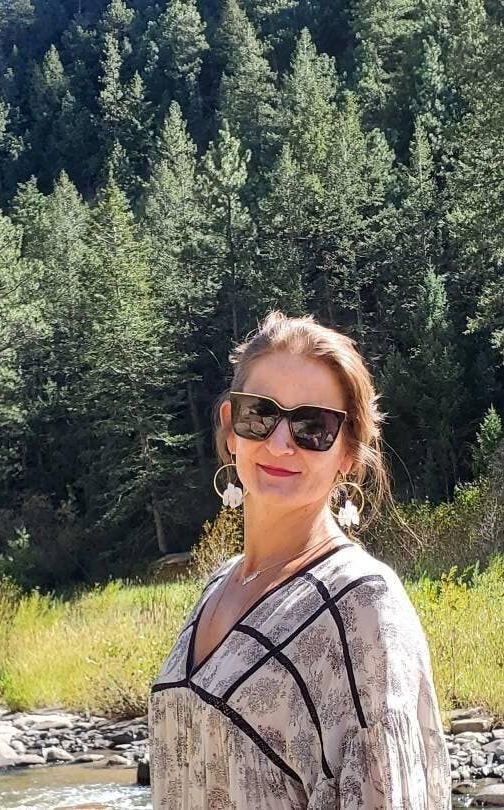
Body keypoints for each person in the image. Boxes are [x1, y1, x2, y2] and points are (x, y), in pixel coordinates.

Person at [147, 311, 452, 809]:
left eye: (313, 426)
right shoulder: (219, 585)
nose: (280, 443)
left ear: (348, 452)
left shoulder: (362, 604)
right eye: (259, 414)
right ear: (230, 427)